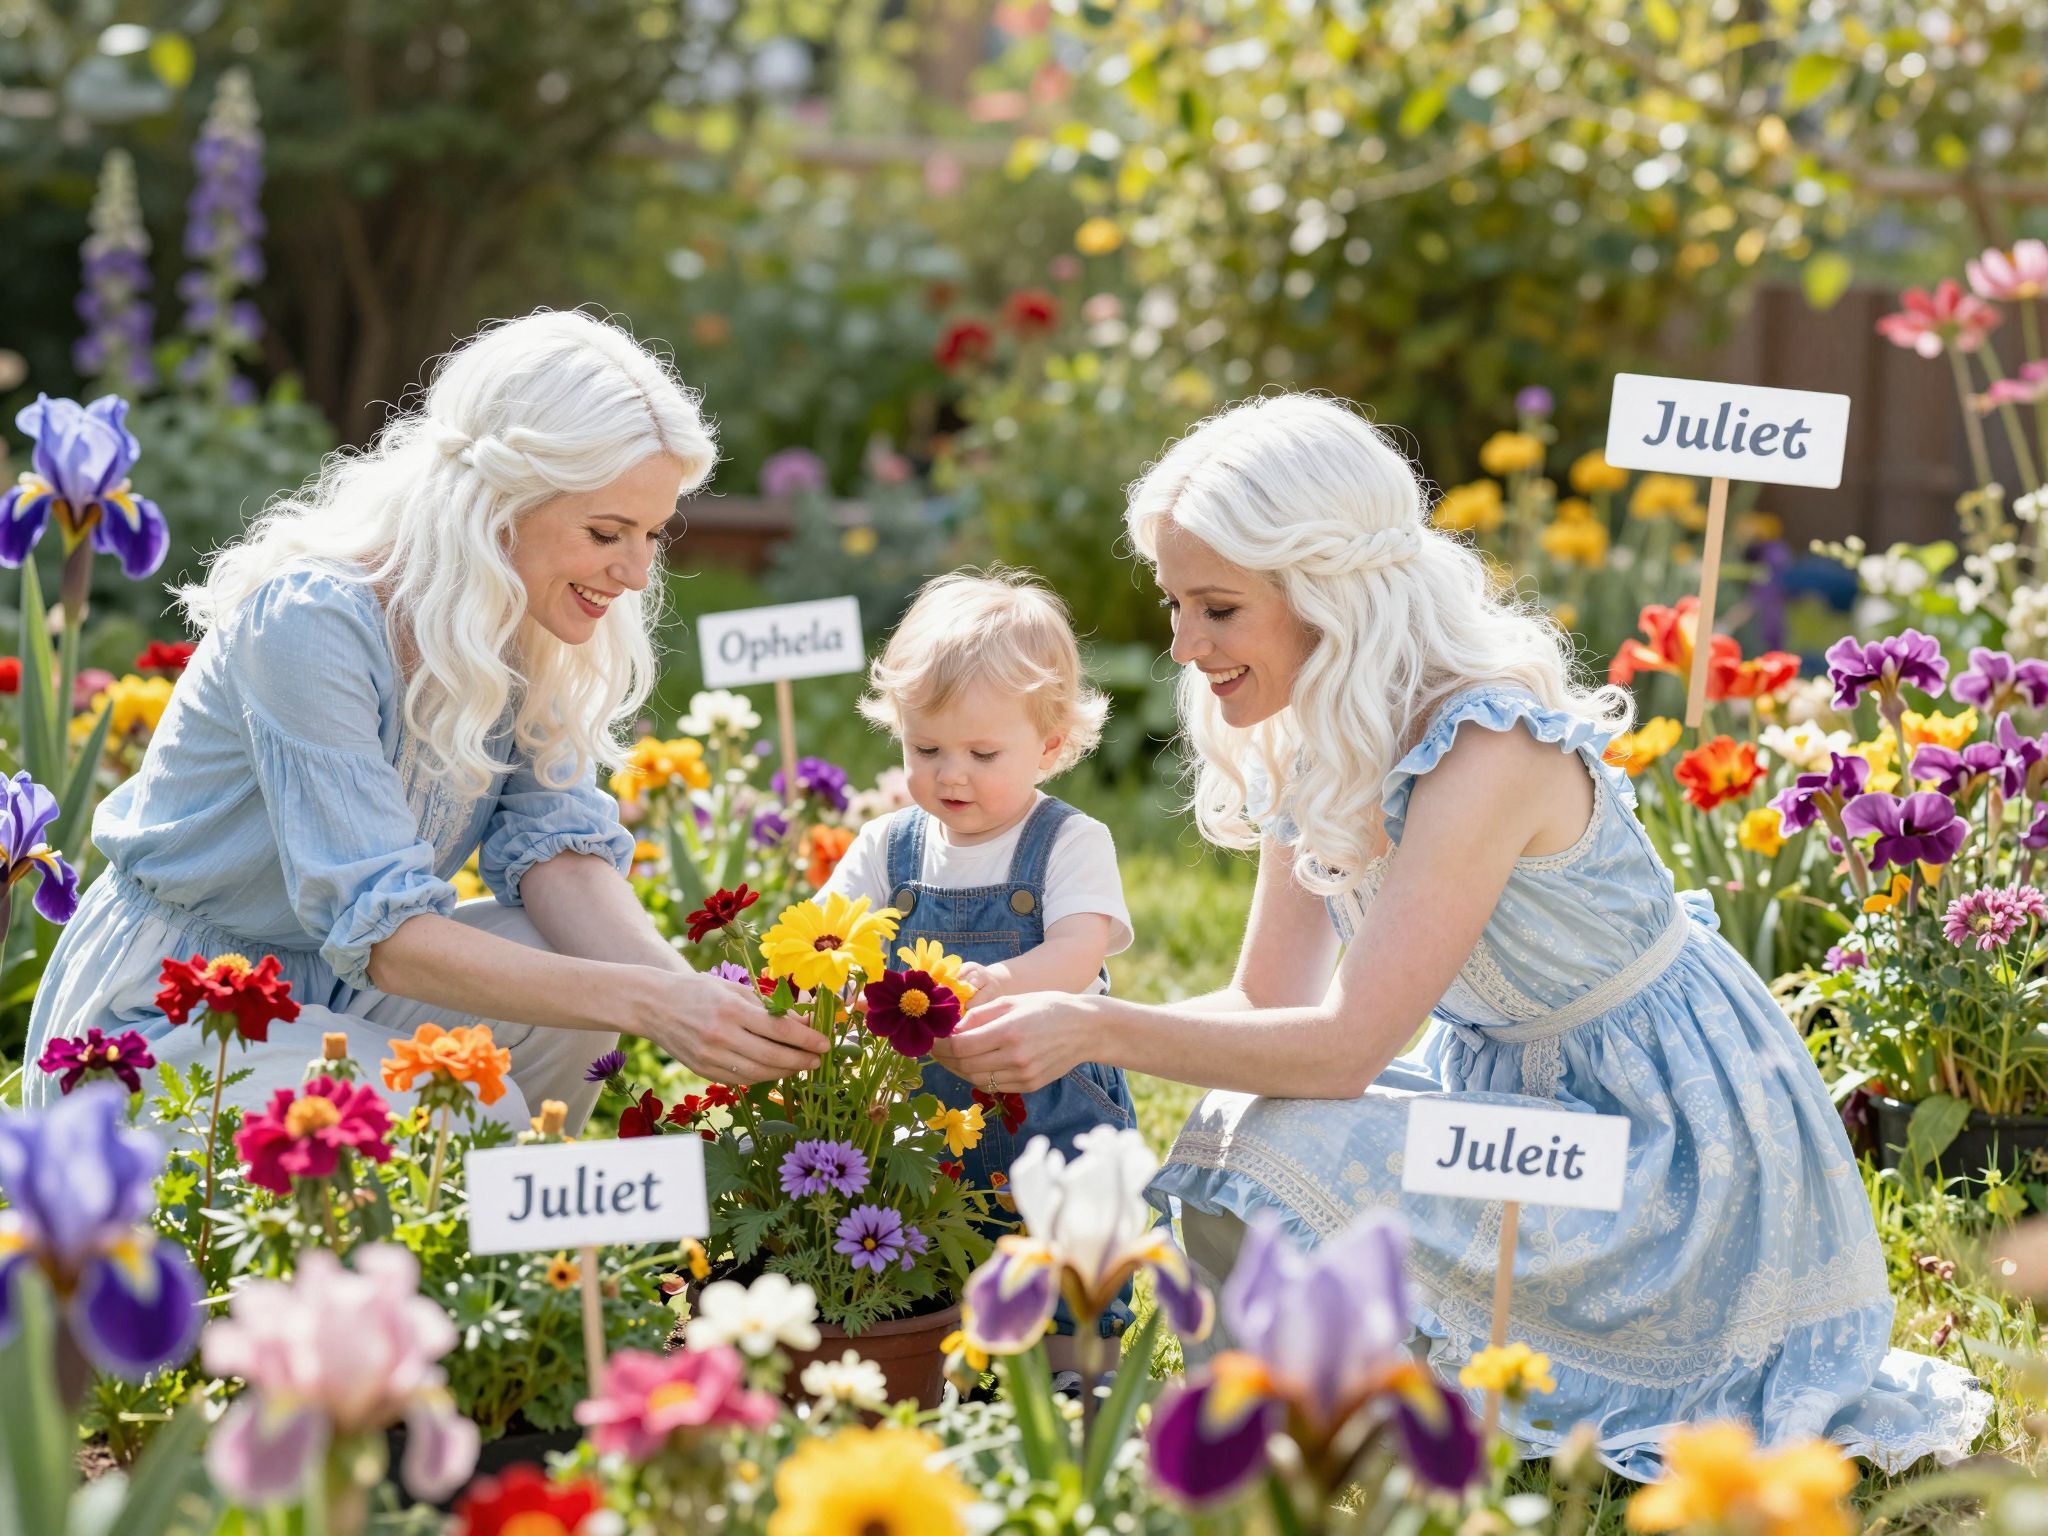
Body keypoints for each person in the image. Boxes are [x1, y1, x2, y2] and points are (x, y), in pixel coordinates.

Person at [930, 393, 1989, 1477]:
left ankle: (1301, 1436)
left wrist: (1093, 1025)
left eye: (1215, 609)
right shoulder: (1320, 731)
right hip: (1523, 1098)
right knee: (1227, 1118)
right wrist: (1030, 1014)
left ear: (1325, 593)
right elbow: (1263, 1001)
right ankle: (1273, 1426)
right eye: (1174, 605)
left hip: (1665, 1145)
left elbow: (1344, 1047)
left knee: (1275, 1139)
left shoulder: (1485, 749)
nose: (1182, 644)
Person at [23, 310, 822, 1128]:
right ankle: (442, 1239)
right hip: (173, 1016)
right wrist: (656, 1003)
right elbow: (386, 933)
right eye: (606, 532)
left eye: (653, 532)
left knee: (565, 981)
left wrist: (697, 999)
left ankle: (507, 1247)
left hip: (343, 990)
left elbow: (562, 854)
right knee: (465, 1107)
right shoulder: (311, 620)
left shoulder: (522, 624)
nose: (635, 570)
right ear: (499, 504)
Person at [820, 568, 1138, 1355]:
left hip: (1050, 1094)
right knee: (923, 1232)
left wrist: (997, 981)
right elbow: (833, 932)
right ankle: (941, 1351)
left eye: (982, 752)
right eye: (925, 748)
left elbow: (1076, 952)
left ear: (1051, 745)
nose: (950, 772)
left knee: (1065, 1226)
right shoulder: (886, 846)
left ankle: (1072, 1364)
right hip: (922, 1109)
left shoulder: (1068, 841)